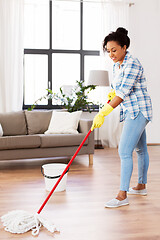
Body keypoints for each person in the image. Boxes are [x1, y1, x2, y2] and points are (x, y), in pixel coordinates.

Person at [91, 27, 152, 208]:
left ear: (124, 47)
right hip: (131, 110)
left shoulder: (132, 63)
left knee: (124, 151)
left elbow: (123, 92)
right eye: (108, 51)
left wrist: (103, 112)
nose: (111, 54)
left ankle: (121, 196)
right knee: (140, 150)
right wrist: (112, 93)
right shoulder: (118, 64)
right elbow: (118, 88)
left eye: (114, 50)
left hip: (139, 111)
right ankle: (141, 186)